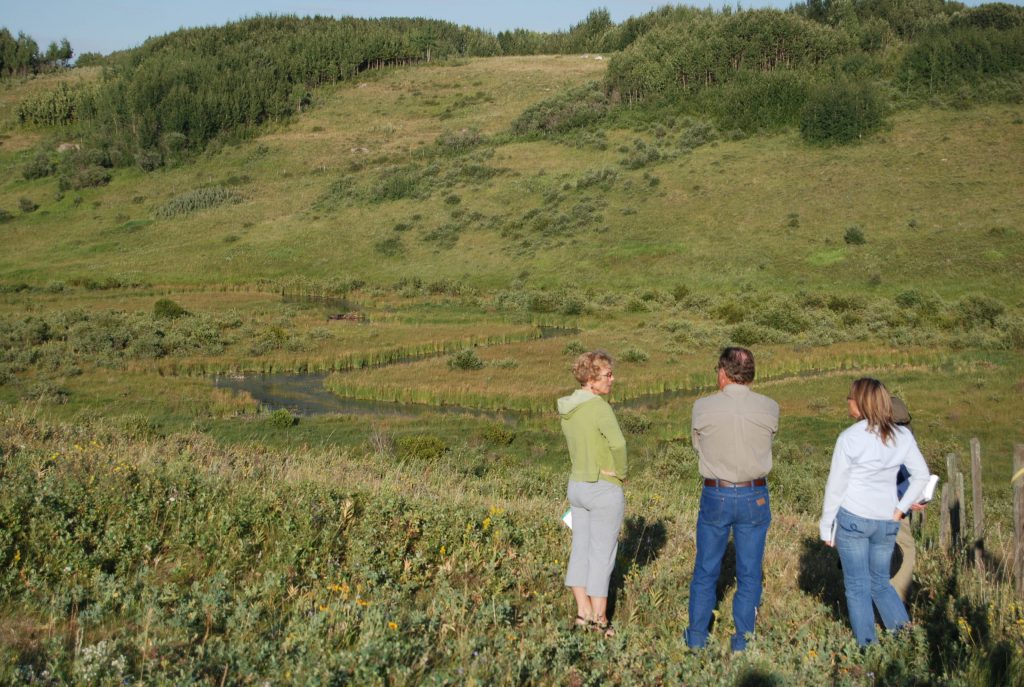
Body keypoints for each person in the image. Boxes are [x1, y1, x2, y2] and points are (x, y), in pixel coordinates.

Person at [819, 378, 930, 646]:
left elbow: (836, 487)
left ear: (860, 402)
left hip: (853, 519)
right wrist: (900, 509)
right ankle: (905, 640)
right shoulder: (901, 436)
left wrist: (826, 526)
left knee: (857, 587)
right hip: (886, 521)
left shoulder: (849, 438)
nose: (847, 400)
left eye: (850, 396)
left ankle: (868, 648)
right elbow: (922, 476)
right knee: (880, 582)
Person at [686, 347, 779, 652]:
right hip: (755, 494)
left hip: (717, 491)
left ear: (723, 373)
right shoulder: (770, 407)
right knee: (750, 572)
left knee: (705, 569)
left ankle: (697, 639)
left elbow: (698, 447)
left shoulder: (702, 407)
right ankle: (743, 641)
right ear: (751, 374)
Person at [559, 350, 627, 637]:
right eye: (607, 375)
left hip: (576, 487)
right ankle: (601, 619)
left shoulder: (567, 407)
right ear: (591, 378)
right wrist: (621, 473)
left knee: (581, 548)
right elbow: (619, 444)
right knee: (602, 555)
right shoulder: (599, 407)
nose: (613, 379)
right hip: (602, 489)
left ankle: (582, 612)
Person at [889, 396, 927, 602]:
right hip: (894, 508)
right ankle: (895, 605)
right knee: (904, 550)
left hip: (866, 508)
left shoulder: (865, 433)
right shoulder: (904, 436)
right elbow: (905, 475)